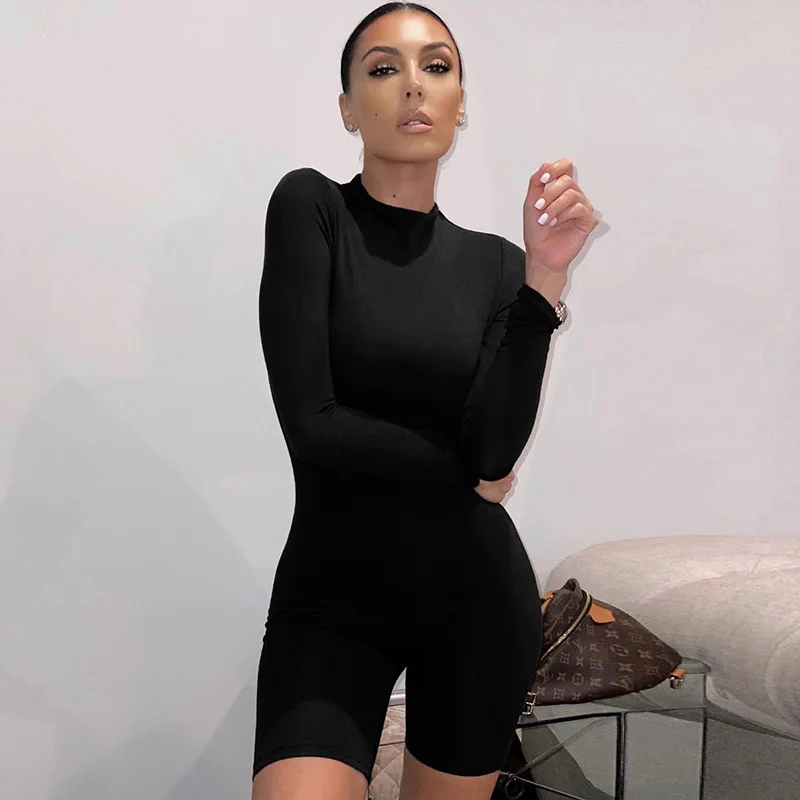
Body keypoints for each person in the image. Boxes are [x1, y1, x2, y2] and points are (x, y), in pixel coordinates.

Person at [251, 3, 598, 799]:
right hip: (331, 601)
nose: (414, 85)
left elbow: (494, 450)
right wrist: (461, 475)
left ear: (459, 103)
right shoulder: (311, 209)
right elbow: (315, 426)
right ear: (348, 108)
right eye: (384, 68)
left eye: (436, 67)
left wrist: (545, 278)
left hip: (476, 603)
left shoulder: (499, 267)